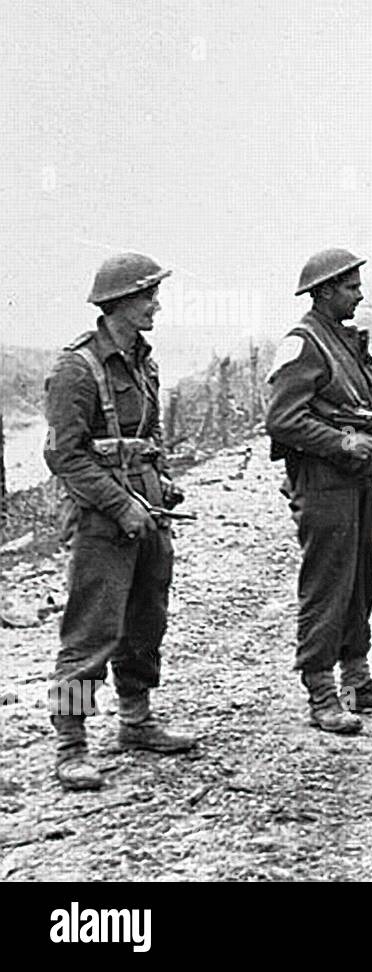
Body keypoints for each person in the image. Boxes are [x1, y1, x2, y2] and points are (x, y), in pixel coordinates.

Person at [44, 252, 196, 791]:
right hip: (102, 521)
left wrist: (163, 485)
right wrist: (120, 504)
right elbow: (65, 455)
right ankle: (71, 743)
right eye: (146, 296)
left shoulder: (144, 361)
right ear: (117, 304)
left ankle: (136, 721)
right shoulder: (76, 368)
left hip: (149, 512)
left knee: (145, 622)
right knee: (89, 634)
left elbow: (148, 439)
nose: (155, 305)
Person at [266, 248, 372, 734]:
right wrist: (342, 441)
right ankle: (322, 692)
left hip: (356, 480)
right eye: (351, 287)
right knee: (327, 585)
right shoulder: (304, 343)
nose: (360, 294)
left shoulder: (347, 343)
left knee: (361, 582)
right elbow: (282, 419)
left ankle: (357, 683)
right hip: (323, 482)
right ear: (326, 290)